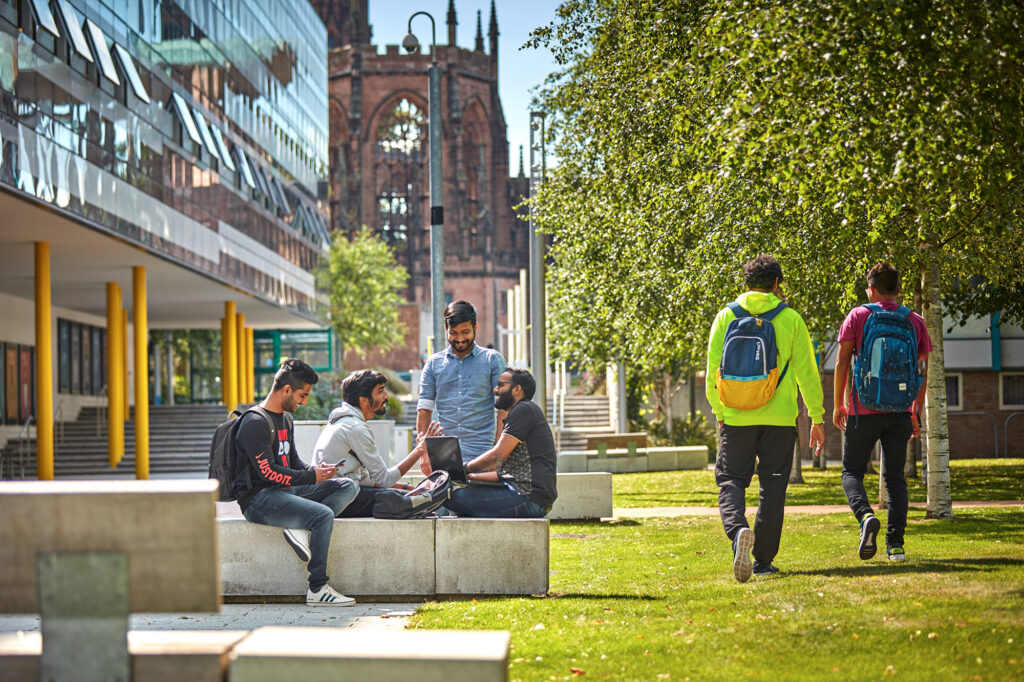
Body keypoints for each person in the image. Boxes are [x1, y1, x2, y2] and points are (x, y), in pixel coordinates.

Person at [706, 255, 826, 582]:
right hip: (780, 420)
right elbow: (807, 374)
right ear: (777, 284)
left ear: (745, 285)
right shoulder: (790, 319)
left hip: (735, 418)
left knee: (731, 479)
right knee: (773, 487)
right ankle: (762, 561)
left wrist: (721, 412)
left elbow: (711, 376)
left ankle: (738, 531)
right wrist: (817, 417)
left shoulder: (725, 316)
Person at [232, 358, 359, 605]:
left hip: (285, 491)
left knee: (348, 485)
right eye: (303, 395)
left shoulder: (285, 420)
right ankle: (317, 588)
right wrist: (311, 477)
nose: (304, 402)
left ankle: (299, 527)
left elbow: (293, 463)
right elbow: (268, 473)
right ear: (287, 390)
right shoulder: (255, 423)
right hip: (259, 499)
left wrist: (317, 471)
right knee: (322, 515)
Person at [833, 262, 931, 562]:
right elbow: (923, 369)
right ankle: (896, 546)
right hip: (900, 410)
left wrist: (839, 404)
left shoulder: (859, 315)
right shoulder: (915, 320)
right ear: (898, 290)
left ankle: (865, 518)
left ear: (872, 288)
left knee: (851, 472)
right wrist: (915, 411)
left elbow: (841, 362)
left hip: (863, 410)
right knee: (895, 479)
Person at [311, 369, 442, 516]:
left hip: (341, 492)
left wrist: (407, 487)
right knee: (393, 499)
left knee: (403, 496)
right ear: (363, 400)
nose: (386, 396)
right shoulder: (354, 428)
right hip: (339, 499)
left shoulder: (346, 423)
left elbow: (366, 480)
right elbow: (384, 480)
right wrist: (420, 449)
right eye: (380, 391)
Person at [442, 368, 558, 518]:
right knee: (452, 493)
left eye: (501, 385)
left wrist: (464, 468)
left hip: (529, 498)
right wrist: (466, 477)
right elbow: (503, 475)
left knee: (452, 498)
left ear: (517, 389)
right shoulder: (524, 411)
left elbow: (497, 456)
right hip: (530, 497)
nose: (495, 390)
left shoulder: (524, 410)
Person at [417, 300, 508, 463]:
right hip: (443, 454)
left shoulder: (492, 360)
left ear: (475, 327)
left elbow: (505, 409)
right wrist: (423, 455)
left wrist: (498, 452)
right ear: (446, 329)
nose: (459, 339)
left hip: (484, 454)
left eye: (465, 332)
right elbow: (424, 411)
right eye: (454, 333)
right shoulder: (432, 364)